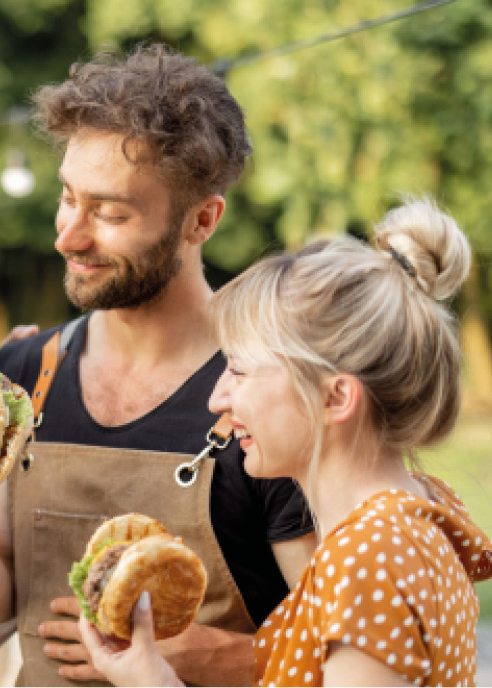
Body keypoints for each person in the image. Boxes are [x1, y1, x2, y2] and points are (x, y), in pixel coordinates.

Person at [0, 44, 317, 686]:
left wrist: (232, 658)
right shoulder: (18, 376)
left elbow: (343, 644)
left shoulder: (270, 398)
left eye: (110, 212)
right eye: (68, 198)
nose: (68, 234)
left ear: (201, 220)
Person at [78, 198, 491, 686]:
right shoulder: (419, 510)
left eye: (239, 370)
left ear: (335, 397)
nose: (217, 398)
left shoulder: (369, 555)